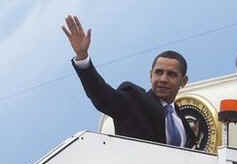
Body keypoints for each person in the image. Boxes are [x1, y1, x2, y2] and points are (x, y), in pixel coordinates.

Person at [61, 15, 196, 148]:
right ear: (150, 75)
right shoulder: (134, 99)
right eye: (158, 72)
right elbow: (102, 95)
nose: (163, 79)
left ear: (183, 81)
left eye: (171, 74)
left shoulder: (184, 124)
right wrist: (82, 57)